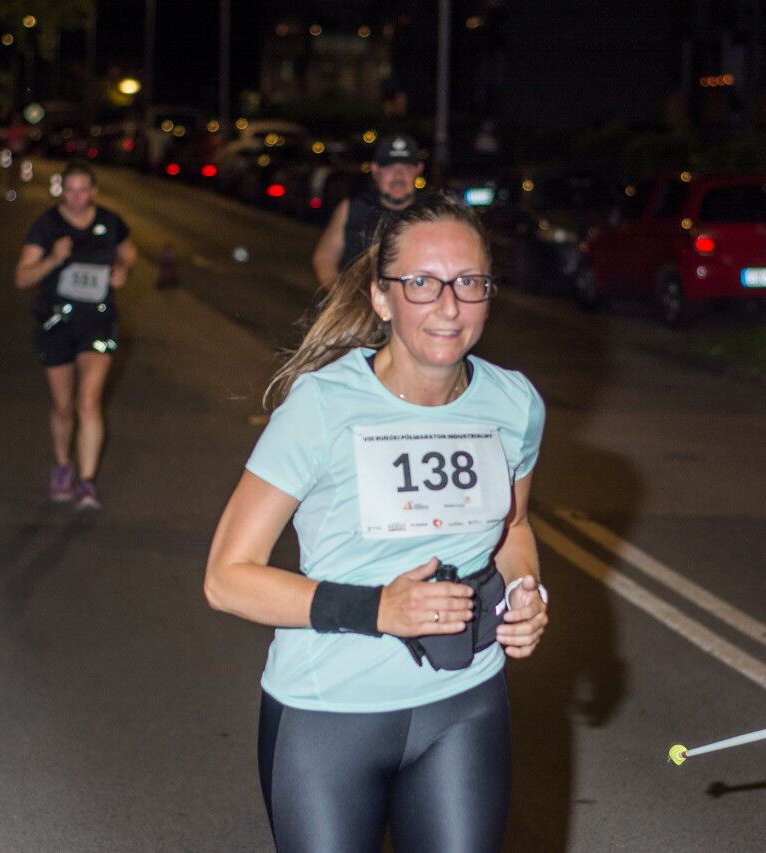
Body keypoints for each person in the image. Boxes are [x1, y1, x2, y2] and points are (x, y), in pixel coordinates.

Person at [205, 193, 549, 852]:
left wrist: (526, 590)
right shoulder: (322, 406)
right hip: (327, 712)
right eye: (422, 283)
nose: (449, 306)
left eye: (469, 282)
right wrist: (379, 609)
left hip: (465, 703)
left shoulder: (514, 403)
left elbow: (514, 527)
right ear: (382, 298)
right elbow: (226, 578)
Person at [14, 163, 136, 511]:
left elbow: (129, 251)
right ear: (61, 191)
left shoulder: (110, 222)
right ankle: (63, 465)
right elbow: (21, 278)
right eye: (70, 191)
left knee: (88, 401)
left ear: (93, 191)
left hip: (97, 323)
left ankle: (86, 482)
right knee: (63, 406)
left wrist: (123, 270)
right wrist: (53, 259)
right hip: (56, 324)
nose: (77, 198)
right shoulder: (47, 225)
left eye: (83, 191)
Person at [311, 133, 424, 289]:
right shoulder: (353, 209)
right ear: (375, 170)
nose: (398, 176)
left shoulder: (433, 212)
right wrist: (343, 295)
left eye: (406, 168)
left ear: (419, 170)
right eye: (390, 168)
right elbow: (325, 258)